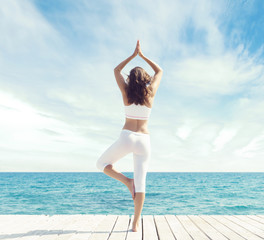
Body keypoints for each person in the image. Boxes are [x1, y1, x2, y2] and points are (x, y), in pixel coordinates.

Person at [96, 40, 163, 232]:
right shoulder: (150, 93)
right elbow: (160, 71)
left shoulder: (125, 92)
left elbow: (116, 71)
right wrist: (143, 56)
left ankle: (127, 182)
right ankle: (135, 224)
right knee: (141, 184)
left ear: (130, 80)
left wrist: (133, 55)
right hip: (144, 140)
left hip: (127, 137)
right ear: (145, 80)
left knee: (101, 164)